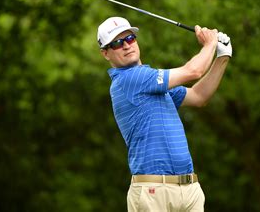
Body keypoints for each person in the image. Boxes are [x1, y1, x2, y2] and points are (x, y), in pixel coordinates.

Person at [98, 16, 232, 212]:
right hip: (153, 192)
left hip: (189, 189)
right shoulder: (129, 79)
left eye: (130, 39)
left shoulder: (153, 82)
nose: (126, 46)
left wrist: (222, 56)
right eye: (117, 43)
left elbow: (198, 96)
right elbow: (193, 71)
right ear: (105, 53)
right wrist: (210, 44)